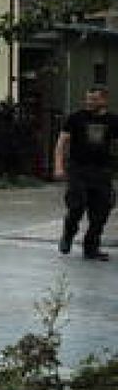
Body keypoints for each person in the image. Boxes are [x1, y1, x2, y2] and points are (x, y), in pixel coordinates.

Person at [54, 86, 116, 261]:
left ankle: (91, 248)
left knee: (101, 212)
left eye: (94, 99)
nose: (89, 102)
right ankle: (68, 234)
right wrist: (59, 166)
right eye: (88, 99)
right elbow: (61, 143)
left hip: (102, 172)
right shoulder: (75, 118)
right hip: (78, 170)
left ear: (104, 100)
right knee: (76, 205)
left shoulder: (113, 120)